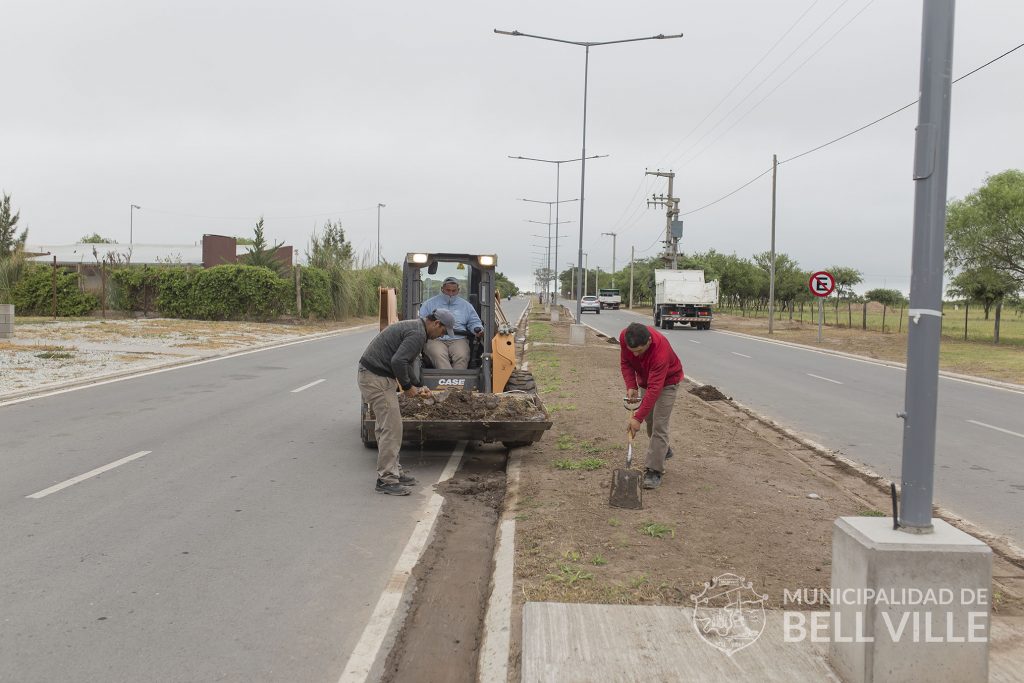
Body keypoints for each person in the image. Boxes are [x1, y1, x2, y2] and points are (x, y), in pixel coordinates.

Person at [358, 309, 454, 496]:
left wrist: (419, 385)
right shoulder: (418, 333)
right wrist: (408, 387)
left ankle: (395, 471)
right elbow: (398, 361)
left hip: (375, 376)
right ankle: (386, 480)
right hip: (376, 379)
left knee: (385, 426)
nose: (441, 336)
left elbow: (407, 363)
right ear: (436, 324)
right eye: (443, 332)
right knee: (392, 428)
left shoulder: (416, 329)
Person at [619, 321, 684, 490]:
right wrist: (631, 385)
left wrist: (637, 418)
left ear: (648, 341)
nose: (637, 355)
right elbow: (626, 363)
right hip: (646, 381)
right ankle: (663, 449)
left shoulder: (660, 350)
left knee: (659, 425)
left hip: (667, 382)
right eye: (633, 351)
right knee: (650, 422)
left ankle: (654, 470)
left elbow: (655, 389)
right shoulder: (625, 337)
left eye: (640, 351)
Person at [418, 276, 484, 369]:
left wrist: (477, 329)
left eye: (454, 291)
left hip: (458, 339)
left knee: (462, 355)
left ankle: (460, 380)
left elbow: (474, 321)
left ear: (458, 290)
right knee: (438, 354)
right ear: (442, 289)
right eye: (448, 290)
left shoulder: (466, 306)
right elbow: (422, 321)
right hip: (435, 339)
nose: (450, 294)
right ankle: (447, 381)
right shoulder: (429, 304)